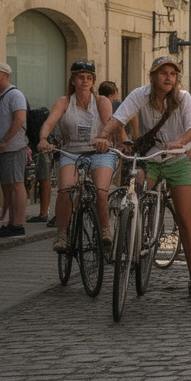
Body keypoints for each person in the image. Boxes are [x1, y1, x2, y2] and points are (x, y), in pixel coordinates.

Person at [93, 57, 191, 294]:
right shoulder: (140, 95)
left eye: (173, 74)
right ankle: (135, 236)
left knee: (185, 218)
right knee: (138, 191)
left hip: (176, 160)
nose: (168, 78)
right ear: (153, 76)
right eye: (163, 73)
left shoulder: (183, 98)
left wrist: (181, 142)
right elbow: (118, 118)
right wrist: (103, 135)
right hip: (149, 159)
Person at [36, 61, 119, 252]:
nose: (85, 81)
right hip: (71, 152)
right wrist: (43, 139)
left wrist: (104, 138)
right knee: (65, 189)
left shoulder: (101, 101)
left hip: (99, 153)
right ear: (73, 80)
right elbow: (49, 122)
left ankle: (105, 231)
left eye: (89, 78)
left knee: (101, 190)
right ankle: (62, 234)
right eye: (80, 77)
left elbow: (109, 124)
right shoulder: (64, 102)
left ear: (93, 81)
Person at [0, 62, 29, 238]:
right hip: (4, 149)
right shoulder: (2, 96)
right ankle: (11, 223)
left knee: (17, 185)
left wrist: (4, 141)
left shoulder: (15, 95)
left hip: (13, 148)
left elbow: (19, 119)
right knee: (10, 187)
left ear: (4, 75)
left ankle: (17, 225)